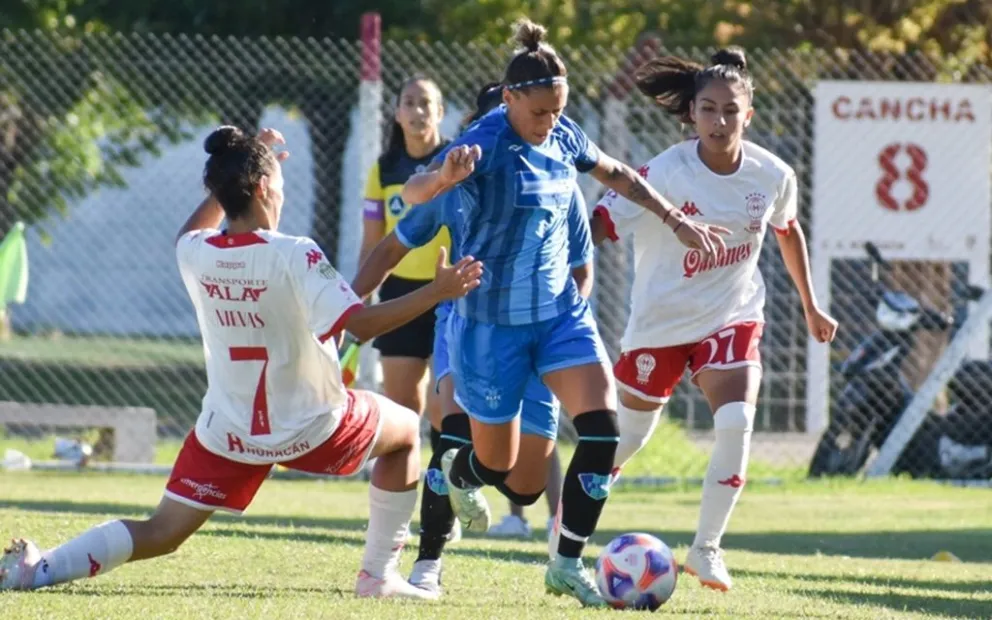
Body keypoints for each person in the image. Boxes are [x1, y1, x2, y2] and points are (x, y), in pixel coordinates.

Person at [0, 127, 483, 599]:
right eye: (280, 186)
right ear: (263, 187)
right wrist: (437, 291)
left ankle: (37, 570)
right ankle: (378, 576)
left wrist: (238, 171)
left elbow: (191, 229)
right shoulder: (296, 253)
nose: (282, 197)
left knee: (161, 532)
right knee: (403, 435)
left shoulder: (196, 253)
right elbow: (359, 325)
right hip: (311, 425)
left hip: (229, 431)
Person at [400, 19, 726, 608]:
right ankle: (457, 477)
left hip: (557, 317)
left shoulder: (564, 134)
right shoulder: (485, 141)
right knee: (496, 465)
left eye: (559, 111)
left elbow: (618, 176)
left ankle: (567, 563)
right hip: (491, 324)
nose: (550, 123)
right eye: (541, 112)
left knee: (603, 428)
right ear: (510, 99)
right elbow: (416, 192)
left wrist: (676, 220)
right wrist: (444, 176)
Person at [590, 47, 838, 592]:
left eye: (731, 110)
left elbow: (787, 229)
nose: (720, 120)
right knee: (625, 442)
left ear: (748, 115)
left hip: (733, 315)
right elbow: (603, 221)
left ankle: (706, 549)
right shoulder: (665, 170)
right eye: (709, 109)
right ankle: (567, 531)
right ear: (691, 114)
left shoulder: (772, 174)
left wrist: (810, 303)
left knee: (735, 423)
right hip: (660, 323)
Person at [352, 82, 583, 595]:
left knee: (521, 476)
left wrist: (559, 322)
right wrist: (346, 303)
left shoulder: (558, 181)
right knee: (450, 432)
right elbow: (390, 245)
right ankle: (426, 564)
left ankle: (522, 512)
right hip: (467, 325)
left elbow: (581, 267)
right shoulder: (455, 189)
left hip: (537, 331)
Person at [360, 76, 450, 439]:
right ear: (397, 114)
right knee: (401, 411)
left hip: (449, 290)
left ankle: (445, 491)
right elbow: (371, 242)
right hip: (398, 294)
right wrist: (361, 296)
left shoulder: (454, 162)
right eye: (409, 103)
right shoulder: (383, 170)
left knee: (445, 409)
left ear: (440, 112)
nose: (417, 111)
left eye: (426, 103)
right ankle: (401, 492)